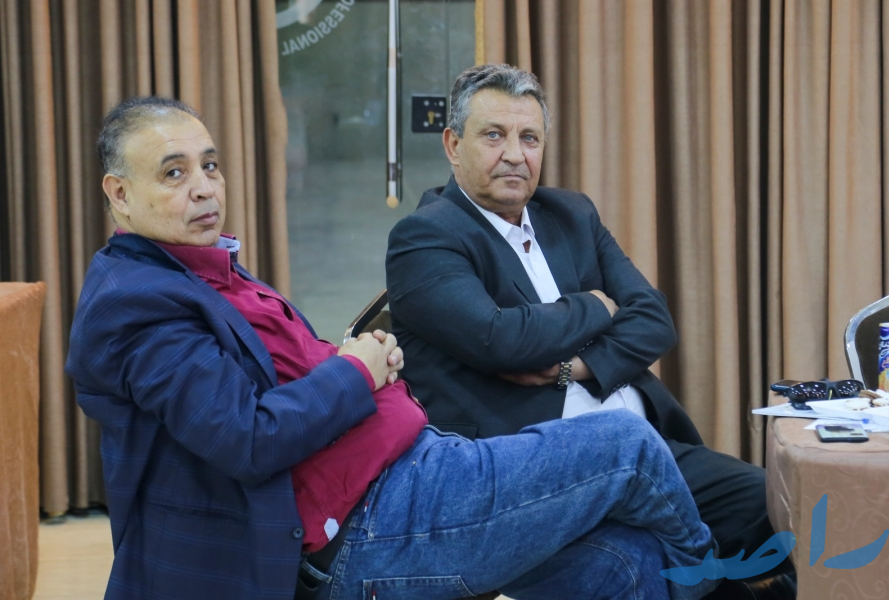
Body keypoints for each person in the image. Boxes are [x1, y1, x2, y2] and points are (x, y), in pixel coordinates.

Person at [65, 96, 718, 600]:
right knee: (626, 446)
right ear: (119, 193)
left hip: (415, 467)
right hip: (370, 523)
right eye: (173, 174)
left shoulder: (206, 269)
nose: (205, 187)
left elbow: (278, 376)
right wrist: (356, 370)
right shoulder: (139, 305)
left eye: (209, 166)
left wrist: (353, 358)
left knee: (627, 561)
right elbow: (248, 437)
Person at [385, 64, 795, 599]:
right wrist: (596, 305)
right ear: (452, 144)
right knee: (653, 561)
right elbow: (500, 339)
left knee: (781, 505)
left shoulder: (571, 215)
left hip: (646, 447)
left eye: (529, 138)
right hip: (537, 473)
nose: (515, 155)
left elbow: (653, 318)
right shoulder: (425, 237)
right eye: (494, 135)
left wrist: (572, 367)